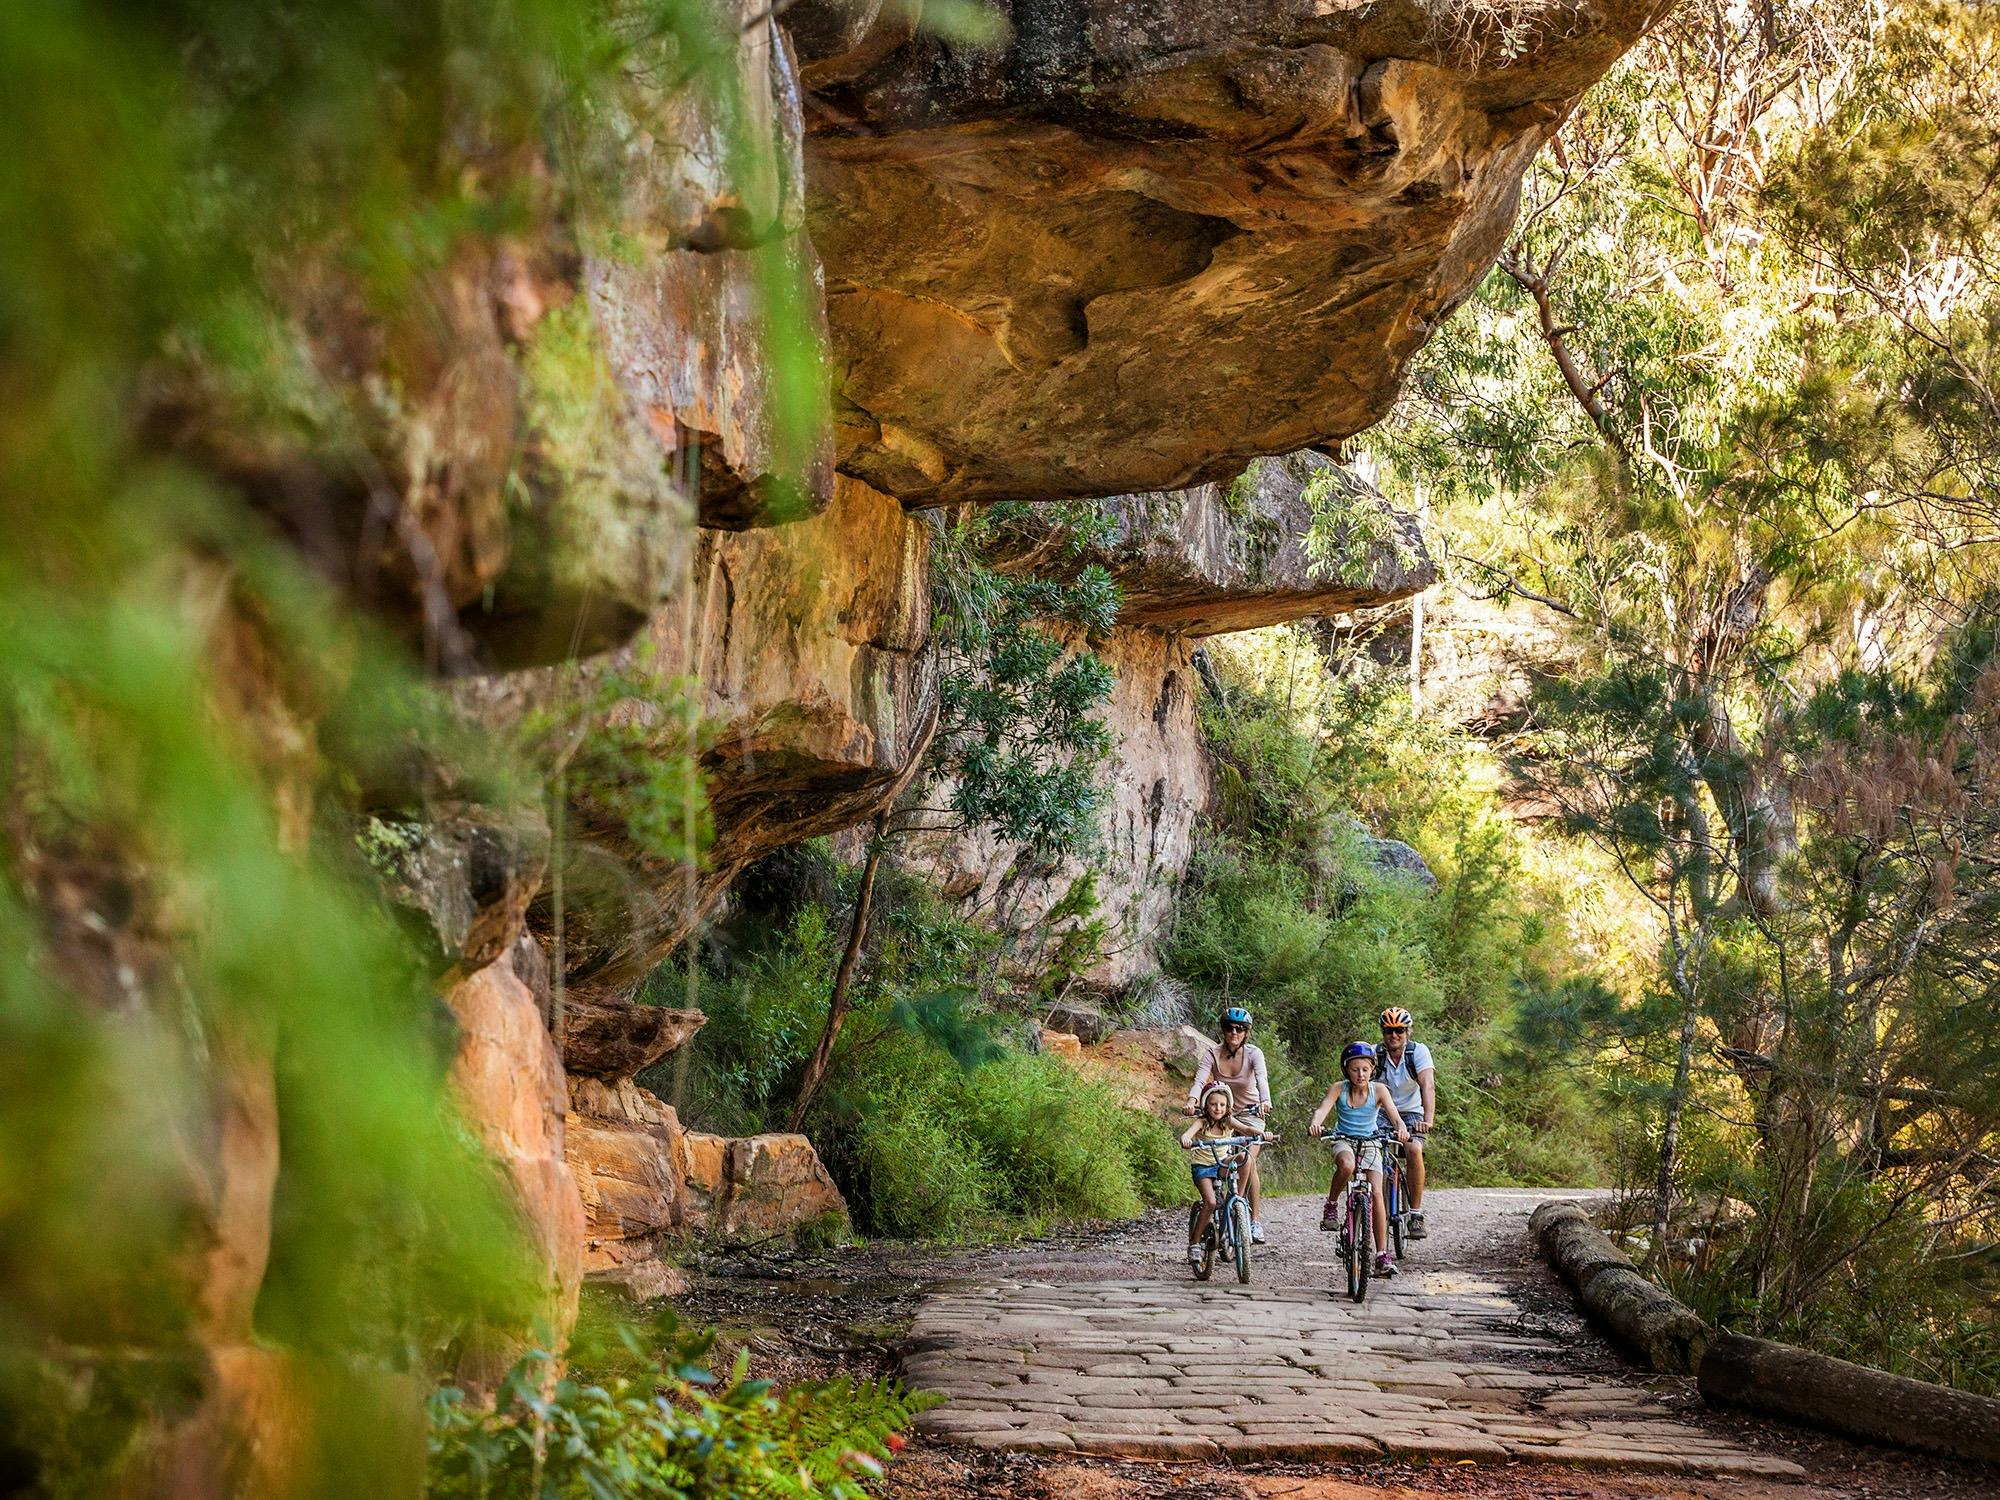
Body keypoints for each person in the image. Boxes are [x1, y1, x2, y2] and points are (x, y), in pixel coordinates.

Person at [1308, 1040, 1411, 1276]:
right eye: (1355, 1069)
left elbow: (1395, 1117)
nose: (1360, 1074)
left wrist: (1401, 1129)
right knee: (1346, 1165)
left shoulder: (1380, 1090)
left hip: (1371, 1142)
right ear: (1347, 1070)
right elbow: (1323, 1108)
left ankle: (1382, 1255)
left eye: (1365, 1069)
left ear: (1372, 1069)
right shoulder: (1339, 1088)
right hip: (1344, 1139)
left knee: (1376, 1192)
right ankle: (1332, 1204)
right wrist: (1316, 1124)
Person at [1185, 1006, 1271, 1242]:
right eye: (1229, 1028)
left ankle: (1245, 1216)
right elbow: (1200, 1078)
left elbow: (1262, 1079)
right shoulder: (1212, 1054)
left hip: (1252, 1114)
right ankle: (1225, 1205)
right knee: (1224, 1160)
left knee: (1247, 1159)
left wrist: (1266, 1101)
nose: (1234, 1032)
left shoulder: (1254, 1054)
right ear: (1222, 1030)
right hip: (1222, 1116)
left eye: (1240, 1029)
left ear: (1246, 1032)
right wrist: (1192, 1100)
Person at [1180, 1084, 1268, 1266]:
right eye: (1213, 1104)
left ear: (1227, 1106)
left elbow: (1247, 1130)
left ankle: (1238, 1198)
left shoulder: (1228, 1121)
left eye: (1221, 1104)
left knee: (1245, 1157)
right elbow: (1187, 1134)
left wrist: (1262, 1134)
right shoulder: (1202, 1122)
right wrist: (1186, 1140)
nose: (1217, 1108)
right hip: (1203, 1168)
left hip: (1221, 1164)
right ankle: (1195, 1244)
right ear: (1206, 1106)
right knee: (1210, 1202)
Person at [1376, 1007, 1436, 1238]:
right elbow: (1363, 1087)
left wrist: (1427, 1120)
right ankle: (1375, 1207)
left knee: (1413, 1149)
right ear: (1383, 1032)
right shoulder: (1375, 1054)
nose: (1394, 1036)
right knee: (1372, 1154)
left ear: (1407, 1032)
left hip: (1411, 1111)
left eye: (1399, 1030)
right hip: (1382, 1111)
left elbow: (1427, 1085)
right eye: (1389, 1031)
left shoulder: (1418, 1052)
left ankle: (1416, 1214)